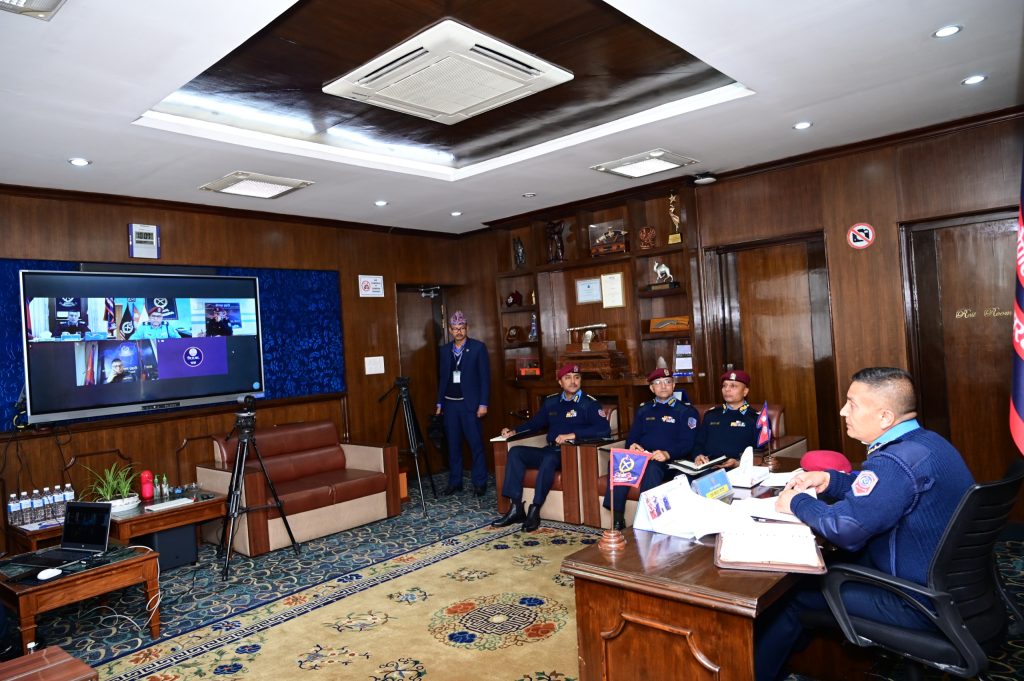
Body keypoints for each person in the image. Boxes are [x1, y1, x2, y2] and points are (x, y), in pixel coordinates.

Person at [755, 367, 975, 681]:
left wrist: (797, 502)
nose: (843, 411)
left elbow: (845, 529)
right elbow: (880, 489)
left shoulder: (895, 462)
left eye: (852, 404)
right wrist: (830, 480)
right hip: (951, 589)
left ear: (885, 417)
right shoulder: (926, 443)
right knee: (824, 571)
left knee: (788, 597)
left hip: (916, 602)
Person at [491, 364, 611, 532]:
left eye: (576, 377)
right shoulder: (552, 402)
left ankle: (535, 509)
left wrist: (573, 435)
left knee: (549, 458)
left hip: (570, 453)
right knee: (516, 452)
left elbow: (604, 429)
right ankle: (516, 507)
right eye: (568, 378)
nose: (573, 381)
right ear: (560, 382)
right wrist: (514, 431)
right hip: (550, 449)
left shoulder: (589, 404)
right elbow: (535, 423)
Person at [603, 367, 699, 529]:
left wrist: (667, 453)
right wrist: (633, 446)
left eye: (667, 382)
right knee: (618, 462)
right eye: (658, 383)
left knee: (652, 468)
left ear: (673, 385)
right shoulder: (644, 410)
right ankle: (617, 519)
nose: (663, 386)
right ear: (651, 388)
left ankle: (645, 519)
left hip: (671, 461)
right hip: (644, 458)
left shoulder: (686, 411)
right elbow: (632, 439)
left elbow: (688, 443)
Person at [434, 310, 490, 497]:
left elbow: (484, 378)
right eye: (455, 328)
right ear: (450, 330)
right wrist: (439, 403)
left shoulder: (478, 348)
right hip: (450, 405)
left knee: (476, 445)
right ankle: (455, 482)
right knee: (453, 445)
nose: (458, 331)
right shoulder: (444, 350)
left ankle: (480, 483)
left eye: (462, 328)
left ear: (467, 328)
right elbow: (442, 379)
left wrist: (483, 403)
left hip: (470, 405)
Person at [690, 370, 760, 469]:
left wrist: (738, 463)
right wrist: (698, 456)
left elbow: (760, 452)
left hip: (737, 469)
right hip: (707, 466)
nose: (727, 389)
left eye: (733, 386)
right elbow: (698, 443)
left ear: (745, 391)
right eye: (724, 385)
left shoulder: (756, 418)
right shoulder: (711, 415)